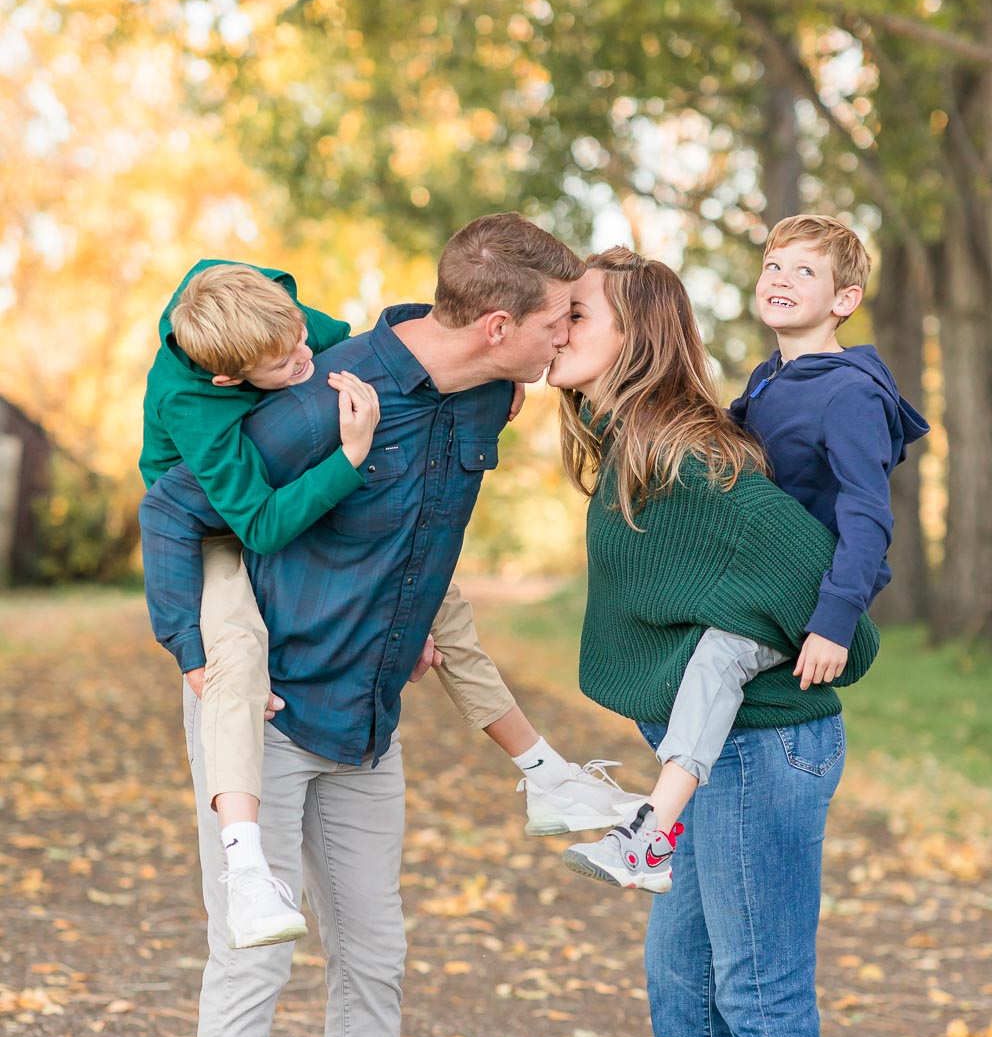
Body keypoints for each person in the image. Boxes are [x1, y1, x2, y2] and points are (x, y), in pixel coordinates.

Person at [139, 213, 605, 1037]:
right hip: (274, 718)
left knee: (376, 965)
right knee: (251, 969)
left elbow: (429, 542)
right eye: (556, 321)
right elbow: (176, 508)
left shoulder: (491, 395)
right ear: (500, 325)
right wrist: (202, 656)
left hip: (369, 724)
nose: (563, 340)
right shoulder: (323, 396)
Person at [547, 247, 880, 1037]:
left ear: (633, 334)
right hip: (713, 756)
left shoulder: (696, 464)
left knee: (760, 994)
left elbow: (841, 613)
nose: (553, 328)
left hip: (763, 754)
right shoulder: (624, 443)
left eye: (574, 313)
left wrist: (823, 631)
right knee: (678, 983)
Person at [141, 261, 641, 948]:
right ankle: (245, 863)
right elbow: (232, 521)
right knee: (233, 656)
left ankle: (545, 772)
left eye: (302, 346)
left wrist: (483, 377)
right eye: (287, 367)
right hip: (216, 534)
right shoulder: (198, 410)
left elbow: (379, 341)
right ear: (232, 381)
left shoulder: (284, 318)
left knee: (443, 604)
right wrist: (185, 648)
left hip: (280, 500)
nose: (307, 365)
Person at [563, 215, 929, 893]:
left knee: (716, 661)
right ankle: (654, 824)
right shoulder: (769, 381)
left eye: (805, 271)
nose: (781, 279)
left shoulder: (850, 394)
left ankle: (652, 829)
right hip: (761, 590)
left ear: (844, 300)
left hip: (807, 600)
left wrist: (834, 618)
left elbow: (869, 515)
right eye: (773, 266)